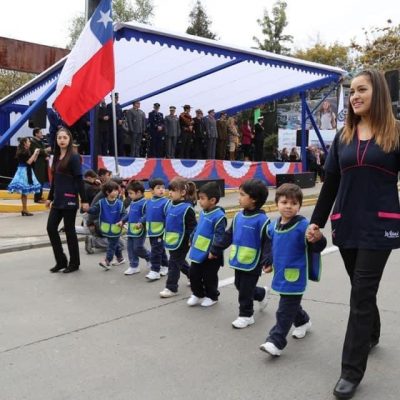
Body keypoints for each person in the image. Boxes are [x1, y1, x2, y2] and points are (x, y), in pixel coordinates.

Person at [307, 69, 400, 400]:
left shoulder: (395, 134)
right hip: (346, 224)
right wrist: (316, 221)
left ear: (379, 94)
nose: (355, 96)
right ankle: (372, 331)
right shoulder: (343, 137)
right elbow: (331, 181)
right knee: (361, 289)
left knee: (361, 293)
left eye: (362, 89)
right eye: (352, 91)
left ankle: (351, 371)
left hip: (381, 225)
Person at [259, 183, 326, 357]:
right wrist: (268, 260)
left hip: (295, 277)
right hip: (281, 275)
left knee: (284, 310)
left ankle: (276, 341)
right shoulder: (273, 226)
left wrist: (318, 238)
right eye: (284, 202)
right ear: (277, 203)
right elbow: (270, 245)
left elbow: (319, 245)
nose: (288, 206)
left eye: (294, 203)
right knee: (291, 306)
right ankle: (303, 322)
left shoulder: (304, 226)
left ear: (299, 206)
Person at [210, 179, 271, 328]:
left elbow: (268, 242)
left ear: (254, 199)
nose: (239, 197)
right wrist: (215, 249)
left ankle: (246, 315)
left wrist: (268, 261)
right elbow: (228, 235)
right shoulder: (238, 216)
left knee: (244, 290)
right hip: (239, 260)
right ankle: (261, 293)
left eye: (242, 195)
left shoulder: (263, 220)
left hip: (253, 263)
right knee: (239, 285)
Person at [46, 128, 89, 273]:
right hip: (57, 200)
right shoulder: (56, 157)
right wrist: (49, 197)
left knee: (70, 231)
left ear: (69, 140)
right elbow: (55, 181)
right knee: (51, 228)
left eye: (65, 137)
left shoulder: (74, 157)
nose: (62, 140)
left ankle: (74, 263)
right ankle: (61, 261)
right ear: (56, 140)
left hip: (70, 199)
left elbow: (79, 179)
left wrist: (84, 200)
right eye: (59, 138)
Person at [187, 182, 227, 307]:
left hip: (211, 254)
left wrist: (214, 251)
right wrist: (191, 237)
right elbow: (198, 227)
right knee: (193, 274)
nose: (199, 201)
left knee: (209, 277)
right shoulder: (203, 212)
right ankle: (198, 293)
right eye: (199, 198)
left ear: (213, 200)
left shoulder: (219, 217)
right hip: (198, 250)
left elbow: (219, 236)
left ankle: (212, 296)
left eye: (202, 198)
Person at [159, 177, 197, 298]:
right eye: (169, 190)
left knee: (174, 263)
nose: (170, 192)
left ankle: (171, 287)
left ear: (183, 193)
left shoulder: (187, 208)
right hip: (171, 239)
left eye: (173, 190)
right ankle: (194, 277)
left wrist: (191, 238)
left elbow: (193, 227)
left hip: (183, 241)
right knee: (179, 261)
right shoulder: (169, 205)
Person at [87, 180, 126, 270]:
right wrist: (87, 209)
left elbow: (124, 213)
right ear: (108, 192)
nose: (117, 192)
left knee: (111, 245)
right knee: (114, 244)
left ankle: (107, 261)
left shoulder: (119, 203)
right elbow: (94, 210)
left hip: (116, 228)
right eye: (115, 190)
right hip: (106, 228)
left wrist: (122, 221)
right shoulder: (101, 202)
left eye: (117, 190)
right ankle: (120, 258)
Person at [119, 180, 150, 275]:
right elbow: (130, 214)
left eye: (131, 193)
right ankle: (134, 266)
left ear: (139, 192)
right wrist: (122, 220)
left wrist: (140, 222)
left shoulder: (145, 203)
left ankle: (150, 258)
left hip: (139, 229)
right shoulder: (133, 202)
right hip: (131, 230)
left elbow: (146, 215)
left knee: (138, 248)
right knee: (130, 248)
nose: (129, 195)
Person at [7, 137, 41, 216]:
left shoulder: (27, 151)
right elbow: (29, 162)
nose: (30, 142)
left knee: (25, 192)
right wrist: (34, 153)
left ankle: (24, 209)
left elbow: (33, 161)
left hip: (27, 170)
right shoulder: (22, 152)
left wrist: (36, 154)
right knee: (24, 191)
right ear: (24, 143)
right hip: (23, 171)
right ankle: (24, 209)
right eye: (28, 141)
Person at [145, 178, 170, 280]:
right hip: (151, 231)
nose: (161, 190)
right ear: (151, 191)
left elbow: (169, 217)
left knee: (155, 251)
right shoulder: (149, 202)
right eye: (158, 188)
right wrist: (140, 222)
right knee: (160, 249)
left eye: (163, 188)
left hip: (161, 232)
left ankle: (155, 270)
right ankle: (165, 265)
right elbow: (146, 215)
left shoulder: (166, 202)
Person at [30, 127, 51, 203]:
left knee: (41, 180)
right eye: (40, 132)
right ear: (36, 134)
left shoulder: (41, 142)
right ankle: (37, 198)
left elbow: (44, 152)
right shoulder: (33, 142)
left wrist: (47, 156)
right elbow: (36, 151)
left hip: (43, 163)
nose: (42, 134)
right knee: (38, 180)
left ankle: (40, 196)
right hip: (38, 164)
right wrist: (46, 150)